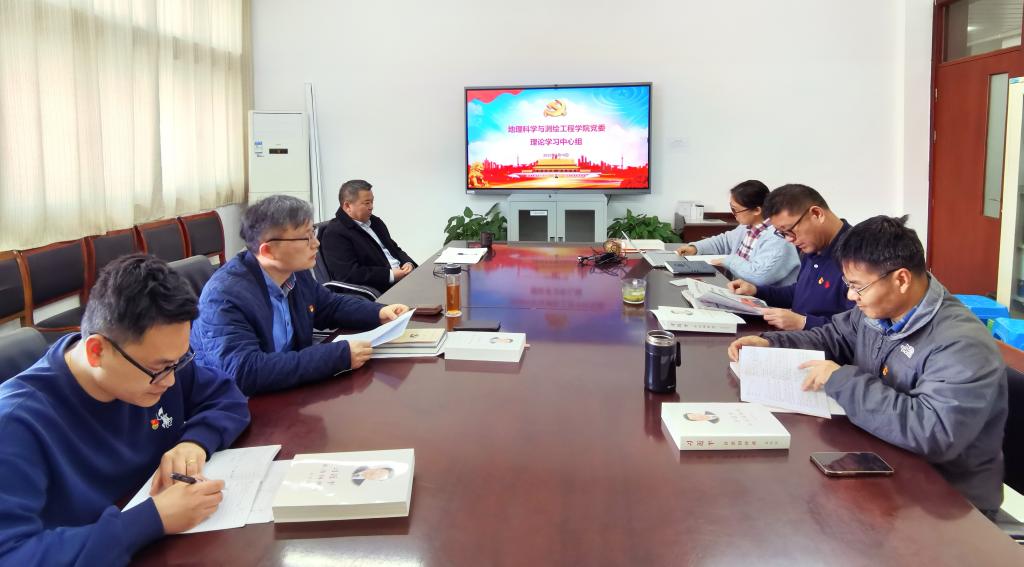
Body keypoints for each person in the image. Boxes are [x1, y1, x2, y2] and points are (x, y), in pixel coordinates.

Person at [728, 216, 1007, 516]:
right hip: (882, 461)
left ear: (901, 279)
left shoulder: (961, 344)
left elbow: (934, 432)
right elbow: (834, 337)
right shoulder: (879, 309)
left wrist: (842, 380)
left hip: (945, 502)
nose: (851, 296)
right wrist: (772, 343)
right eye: (848, 285)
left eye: (857, 287)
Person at [0, 255, 251, 565]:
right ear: (96, 351)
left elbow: (227, 396)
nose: (171, 381)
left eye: (179, 362)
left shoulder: (157, 363)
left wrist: (194, 442)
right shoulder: (15, 424)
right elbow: (13, 555)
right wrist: (152, 519)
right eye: (160, 368)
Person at [191, 195, 409, 396]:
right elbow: (245, 372)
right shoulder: (224, 296)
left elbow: (329, 306)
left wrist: (378, 312)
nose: (316, 243)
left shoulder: (295, 272)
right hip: (238, 404)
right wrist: (337, 356)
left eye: (313, 232)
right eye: (306, 238)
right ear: (268, 251)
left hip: (286, 390)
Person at [727, 184, 855, 330]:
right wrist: (756, 291)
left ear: (817, 214)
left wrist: (804, 322)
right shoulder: (814, 246)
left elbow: (857, 328)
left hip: (822, 342)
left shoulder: (856, 256)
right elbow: (800, 292)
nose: (789, 239)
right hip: (797, 336)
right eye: (782, 233)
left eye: (789, 230)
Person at [676, 180, 799, 286]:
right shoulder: (746, 227)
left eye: (735, 210)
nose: (733, 214)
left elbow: (759, 276)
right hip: (741, 293)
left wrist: (728, 261)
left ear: (756, 210)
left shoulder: (778, 238)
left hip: (766, 302)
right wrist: (696, 248)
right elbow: (724, 241)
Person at [320, 179, 417, 292]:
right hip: (383, 289)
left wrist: (408, 263)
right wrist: (390, 275)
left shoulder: (375, 222)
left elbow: (394, 248)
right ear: (347, 206)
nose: (371, 207)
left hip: (404, 279)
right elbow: (349, 274)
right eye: (366, 203)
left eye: (372, 201)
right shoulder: (335, 233)